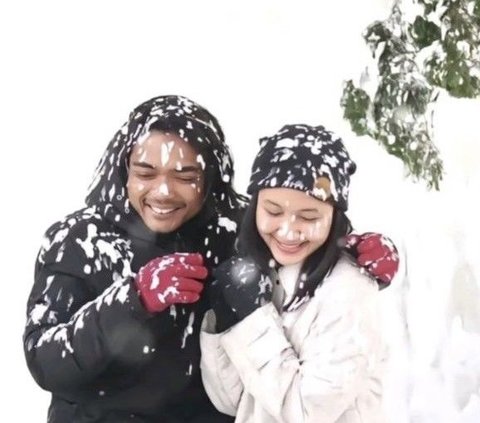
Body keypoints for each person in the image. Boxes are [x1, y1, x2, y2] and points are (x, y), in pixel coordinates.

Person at [24, 96, 397, 423]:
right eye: (145, 173)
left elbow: (300, 226)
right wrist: (132, 300)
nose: (164, 191)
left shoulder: (235, 230)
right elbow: (45, 360)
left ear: (211, 177)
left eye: (186, 176)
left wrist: (358, 250)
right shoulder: (79, 240)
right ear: (123, 171)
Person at [200, 124, 390, 422]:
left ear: (334, 217)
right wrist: (225, 321)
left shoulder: (349, 292)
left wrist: (251, 321)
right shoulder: (267, 271)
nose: (288, 230)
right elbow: (234, 402)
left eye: (309, 216)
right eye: (274, 212)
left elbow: (305, 412)